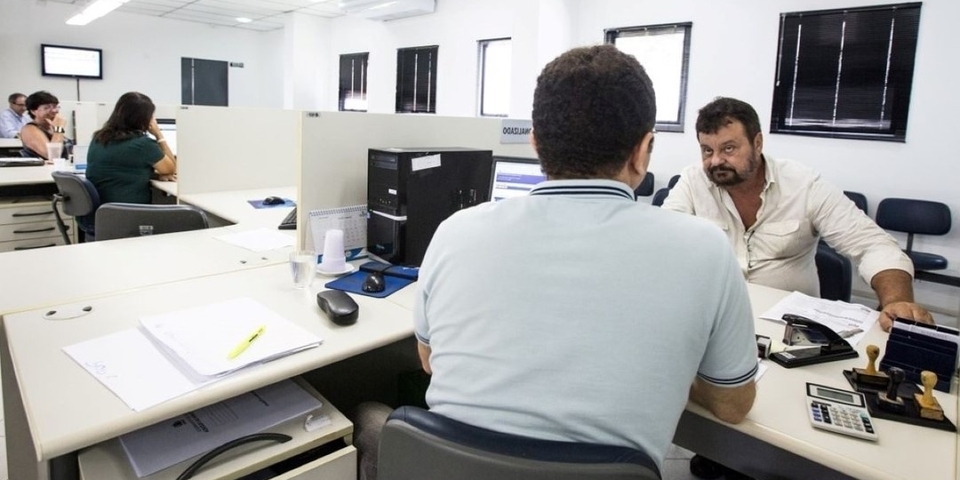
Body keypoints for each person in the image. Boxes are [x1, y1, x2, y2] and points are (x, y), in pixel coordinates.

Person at [353, 45, 758, 480]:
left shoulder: (454, 231)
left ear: (535, 142)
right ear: (644, 151)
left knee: (363, 416)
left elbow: (430, 361)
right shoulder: (705, 249)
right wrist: (672, 363)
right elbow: (732, 405)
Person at [663, 97, 934, 334]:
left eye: (729, 148)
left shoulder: (804, 185)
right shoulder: (693, 181)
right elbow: (662, 237)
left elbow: (873, 245)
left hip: (792, 329)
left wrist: (898, 301)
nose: (715, 161)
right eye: (707, 150)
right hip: (715, 319)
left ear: (757, 143)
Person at [86, 92, 176, 206]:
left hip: (100, 213)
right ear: (143, 119)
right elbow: (171, 168)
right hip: (128, 214)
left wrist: (155, 175)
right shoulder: (143, 144)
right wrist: (158, 134)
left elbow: (120, 171)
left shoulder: (98, 138)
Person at [19, 91, 72, 159]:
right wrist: (59, 128)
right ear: (33, 111)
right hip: (42, 169)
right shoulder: (29, 129)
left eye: (55, 107)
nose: (53, 111)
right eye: (46, 108)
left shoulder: (52, 127)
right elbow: (53, 156)